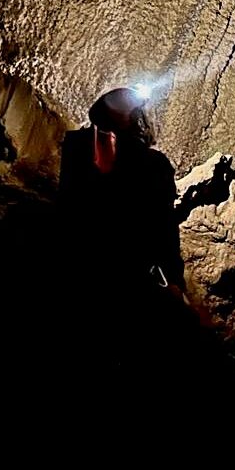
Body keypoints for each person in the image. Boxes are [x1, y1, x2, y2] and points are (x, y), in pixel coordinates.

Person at [58, 87, 187, 384]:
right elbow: (163, 229)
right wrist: (174, 280)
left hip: (91, 269)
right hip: (118, 273)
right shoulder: (149, 164)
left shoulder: (79, 148)